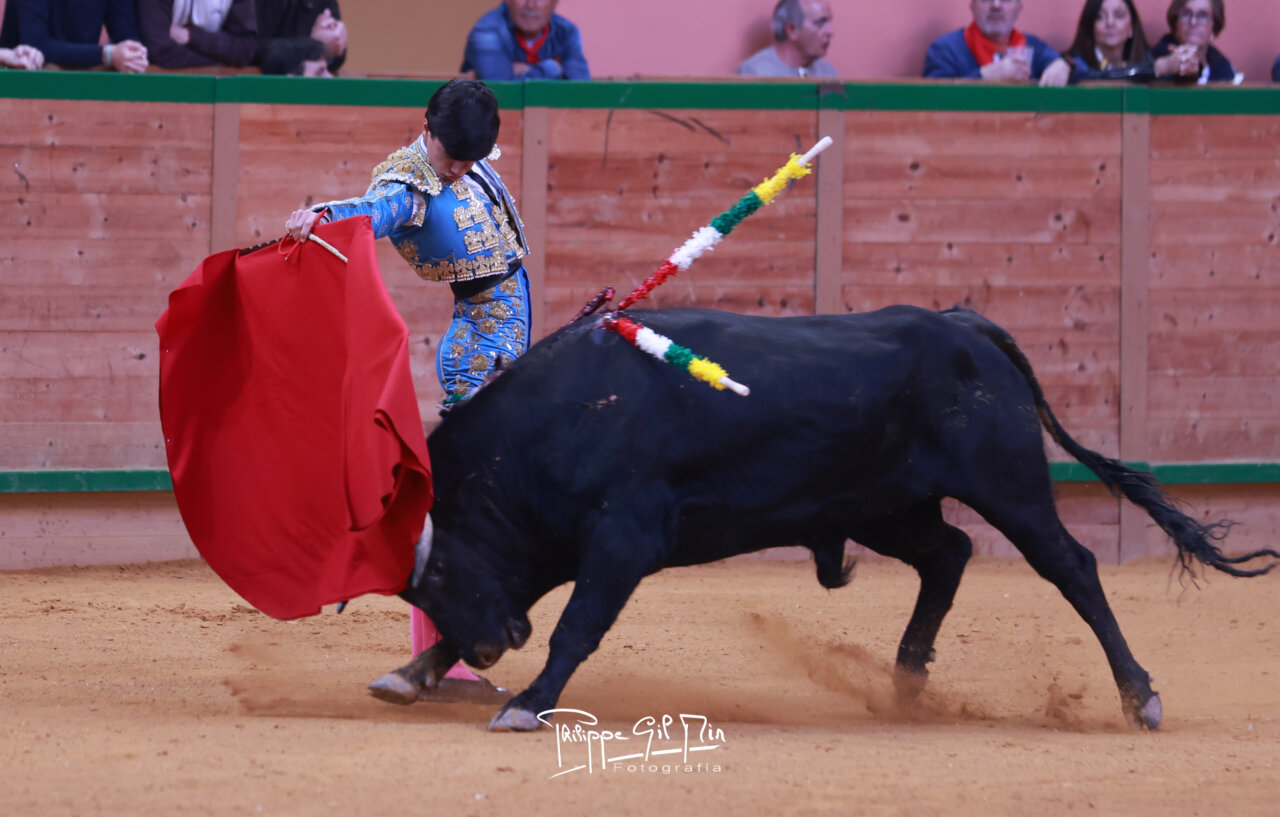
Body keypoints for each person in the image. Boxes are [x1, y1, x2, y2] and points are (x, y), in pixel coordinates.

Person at [284, 80, 530, 700]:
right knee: (469, 506)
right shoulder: (409, 186)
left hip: (497, 336)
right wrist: (323, 216)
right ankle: (445, 658)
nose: (460, 170)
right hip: (481, 345)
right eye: (452, 157)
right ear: (427, 130)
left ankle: (445, 654)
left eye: (471, 160)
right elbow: (373, 213)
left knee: (474, 499)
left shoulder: (460, 146)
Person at [923, 0, 1059, 83]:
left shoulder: (1035, 48)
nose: (996, 5)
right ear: (972, 5)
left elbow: (1069, 67)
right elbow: (933, 100)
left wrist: (1064, 65)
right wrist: (985, 76)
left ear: (1019, 8)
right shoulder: (945, 50)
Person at [0, 0, 148, 72]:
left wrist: (132, 55)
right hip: (23, 87)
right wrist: (107, 55)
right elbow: (36, 46)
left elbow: (128, 37)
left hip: (84, 84)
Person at [461, 0, 589, 81]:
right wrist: (553, 69)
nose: (531, 5)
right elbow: (501, 92)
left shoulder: (567, 32)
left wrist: (517, 73)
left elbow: (581, 89)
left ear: (555, 2)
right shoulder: (486, 30)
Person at [1038, 0, 1153, 86]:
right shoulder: (1073, 64)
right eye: (1100, 17)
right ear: (1090, 24)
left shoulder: (1150, 62)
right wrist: (1066, 65)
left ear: (1132, 26)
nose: (1110, 23)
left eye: (1118, 15)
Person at [136, 0, 258, 69]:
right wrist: (224, 58)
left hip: (216, 84)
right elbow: (159, 51)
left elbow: (245, 49)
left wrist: (189, 36)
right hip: (160, 84)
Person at [736, 0, 836, 78]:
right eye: (820, 23)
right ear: (792, 30)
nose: (830, 32)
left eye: (828, 22)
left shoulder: (828, 74)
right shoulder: (755, 73)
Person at [1150, 0, 1238, 84]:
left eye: (1203, 15)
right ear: (1175, 21)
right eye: (1186, 13)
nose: (1193, 22)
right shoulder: (1153, 59)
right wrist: (1163, 67)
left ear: (1215, 25)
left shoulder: (1223, 68)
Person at [254, 0, 346, 77]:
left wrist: (335, 41)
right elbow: (254, 52)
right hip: (261, 85)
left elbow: (337, 57)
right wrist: (317, 46)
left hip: (309, 84)